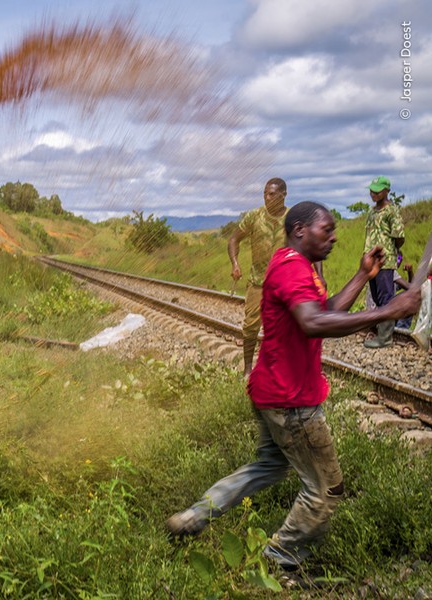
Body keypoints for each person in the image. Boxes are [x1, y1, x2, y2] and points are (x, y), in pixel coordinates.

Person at [167, 201, 420, 572]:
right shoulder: (290, 267)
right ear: (300, 230)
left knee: (268, 466)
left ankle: (194, 515)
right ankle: (280, 560)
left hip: (272, 390)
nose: (334, 237)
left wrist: (363, 275)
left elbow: (327, 310)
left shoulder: (297, 266)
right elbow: (313, 323)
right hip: (291, 401)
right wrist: (388, 311)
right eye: (326, 230)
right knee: (325, 488)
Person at [228, 178, 288, 375]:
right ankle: (247, 369)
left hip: (283, 283)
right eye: (264, 194)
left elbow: (309, 244)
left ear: (283, 195)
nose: (267, 198)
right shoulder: (254, 216)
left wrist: (317, 274)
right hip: (258, 282)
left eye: (271, 194)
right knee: (251, 326)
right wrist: (235, 263)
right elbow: (234, 239)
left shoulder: (292, 218)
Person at [363, 176, 405, 348]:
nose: (373, 193)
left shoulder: (391, 211)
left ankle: (385, 338)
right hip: (371, 262)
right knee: (376, 297)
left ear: (387, 191)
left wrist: (390, 252)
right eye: (372, 189)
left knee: (386, 298)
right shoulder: (371, 212)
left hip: (385, 262)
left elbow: (399, 237)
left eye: (378, 190)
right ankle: (381, 331)